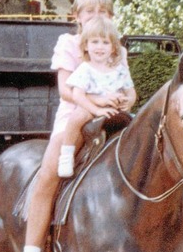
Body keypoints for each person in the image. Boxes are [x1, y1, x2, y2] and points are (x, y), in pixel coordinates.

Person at [2, 0, 128, 252]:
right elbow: (65, 90)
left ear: (111, 16)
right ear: (77, 16)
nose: (96, 16)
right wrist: (97, 103)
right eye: (89, 11)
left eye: (103, 11)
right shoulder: (69, 43)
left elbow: (124, 85)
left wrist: (120, 100)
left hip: (112, 115)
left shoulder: (116, 47)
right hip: (75, 116)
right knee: (49, 175)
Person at [57, 15, 136, 178]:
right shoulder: (85, 69)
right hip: (89, 108)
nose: (100, 47)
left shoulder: (119, 69)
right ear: (85, 46)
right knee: (78, 116)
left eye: (105, 42)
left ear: (114, 48)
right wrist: (96, 110)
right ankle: (66, 154)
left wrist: (128, 102)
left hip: (114, 109)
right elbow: (78, 95)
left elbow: (130, 91)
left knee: (138, 122)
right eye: (95, 42)